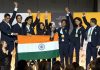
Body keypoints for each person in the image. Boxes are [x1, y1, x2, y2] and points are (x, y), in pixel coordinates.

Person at [0, 1, 18, 66]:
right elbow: (6, 32)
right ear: (4, 18)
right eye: (7, 18)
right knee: (5, 57)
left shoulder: (9, 22)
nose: (8, 19)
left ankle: (10, 67)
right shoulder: (1, 24)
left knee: (11, 57)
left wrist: (16, 7)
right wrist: (13, 34)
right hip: (5, 43)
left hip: (11, 42)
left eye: (9, 18)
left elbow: (13, 16)